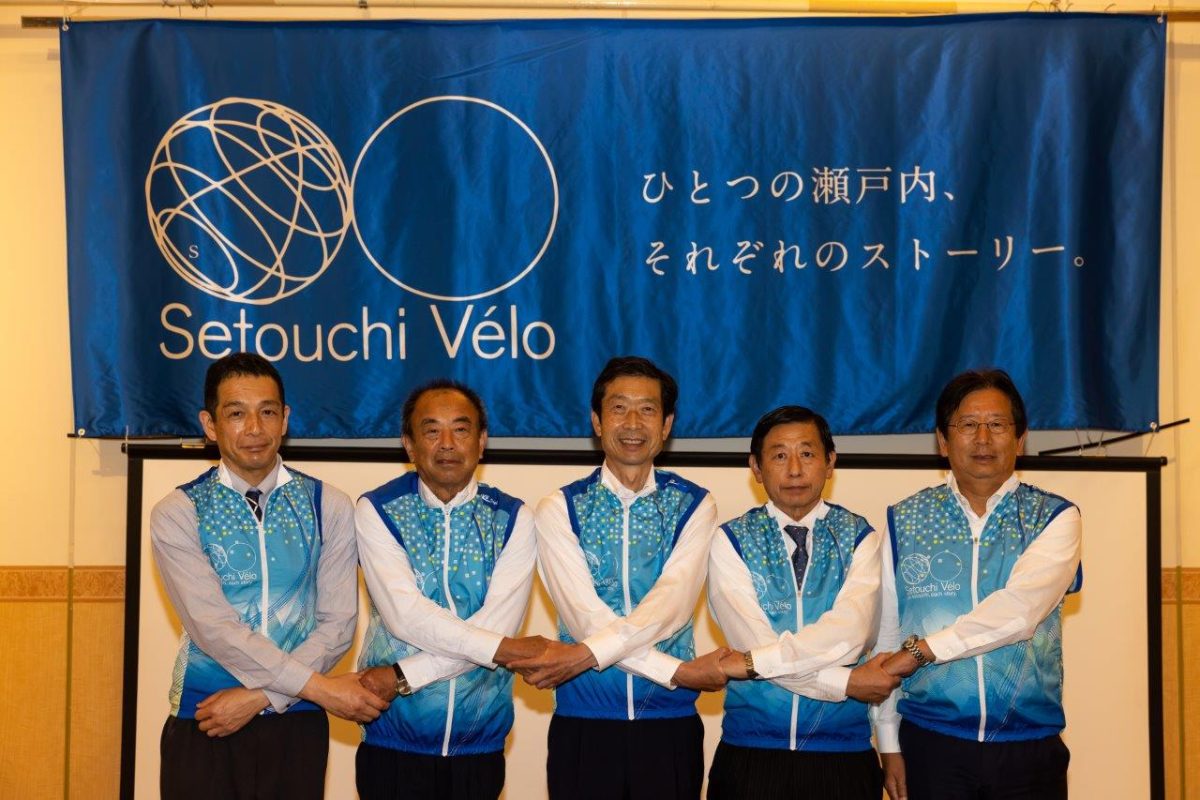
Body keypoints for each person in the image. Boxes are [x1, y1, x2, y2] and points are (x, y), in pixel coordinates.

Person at [151, 352, 387, 800]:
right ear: (210, 424)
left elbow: (337, 625)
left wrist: (262, 697)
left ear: (285, 419)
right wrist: (320, 689)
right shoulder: (179, 512)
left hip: (296, 723)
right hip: (206, 716)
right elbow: (214, 628)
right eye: (236, 414)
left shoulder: (330, 505)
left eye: (267, 412)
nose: (255, 428)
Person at [514, 355, 722, 800]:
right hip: (584, 723)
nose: (632, 423)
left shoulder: (695, 505)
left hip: (669, 724)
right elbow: (584, 617)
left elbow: (671, 607)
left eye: (647, 409)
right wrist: (678, 671)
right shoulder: (559, 508)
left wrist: (583, 655)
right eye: (619, 408)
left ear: (666, 425)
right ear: (596, 420)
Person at [874, 369, 1083, 800]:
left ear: (1020, 439)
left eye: (998, 424)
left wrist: (922, 651)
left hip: (1029, 747)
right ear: (943, 440)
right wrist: (888, 740)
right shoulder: (904, 520)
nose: (983, 438)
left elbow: (1019, 612)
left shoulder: (1054, 517)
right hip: (932, 743)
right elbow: (886, 636)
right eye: (968, 424)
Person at [688, 405, 895, 799]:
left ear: (830, 462)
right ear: (756, 467)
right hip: (751, 752)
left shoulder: (859, 537)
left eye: (808, 453)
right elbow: (753, 644)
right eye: (780, 455)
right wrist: (846, 682)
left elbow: (849, 635)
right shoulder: (731, 540)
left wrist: (752, 662)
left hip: (843, 754)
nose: (795, 470)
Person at [354, 379, 545, 800]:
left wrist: (402, 676)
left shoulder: (513, 518)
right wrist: (503, 649)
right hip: (392, 742)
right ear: (409, 444)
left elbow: (496, 631)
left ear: (481, 442)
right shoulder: (378, 509)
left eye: (460, 429)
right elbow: (406, 617)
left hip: (479, 746)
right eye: (431, 430)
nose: (447, 444)